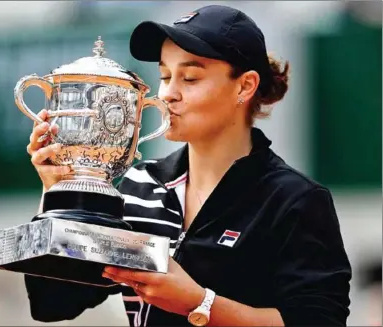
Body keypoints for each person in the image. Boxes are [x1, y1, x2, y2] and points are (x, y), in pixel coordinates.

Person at [24, 5, 352, 327]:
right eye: (165, 76)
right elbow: (53, 303)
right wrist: (59, 192)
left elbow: (320, 320)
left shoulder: (294, 200)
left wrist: (199, 304)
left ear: (245, 86)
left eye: (190, 78)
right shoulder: (139, 185)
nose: (168, 93)